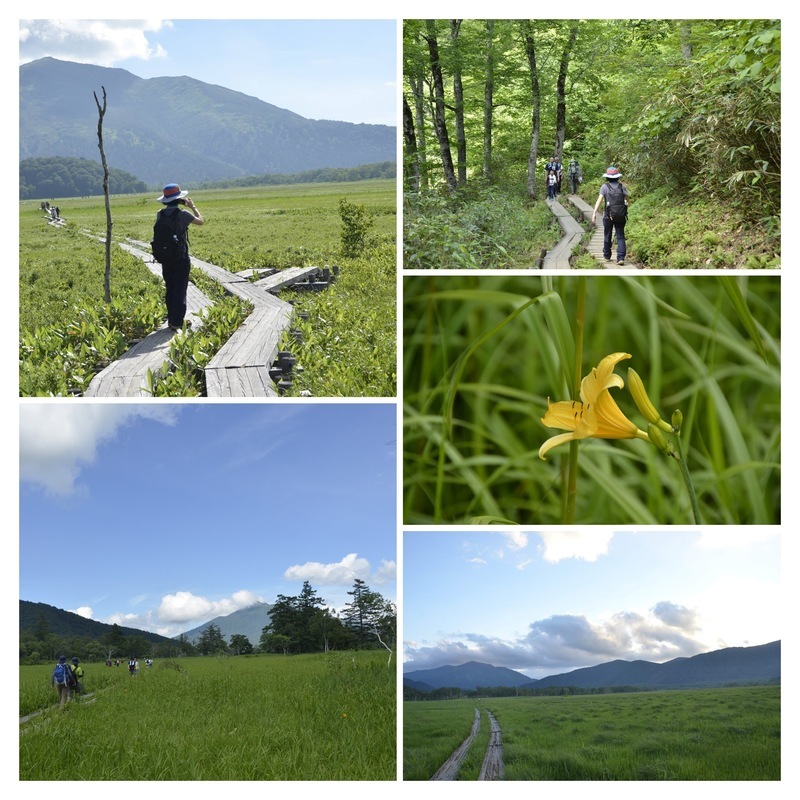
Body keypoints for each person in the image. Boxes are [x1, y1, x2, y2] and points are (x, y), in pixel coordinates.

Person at [153, 183, 204, 331]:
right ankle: (177, 321)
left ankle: (172, 318)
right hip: (180, 256)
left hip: (165, 256)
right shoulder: (183, 214)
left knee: (170, 287)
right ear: (180, 199)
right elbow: (200, 221)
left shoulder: (159, 213)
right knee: (180, 288)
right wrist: (192, 207)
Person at [591, 166, 631, 265]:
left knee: (607, 234)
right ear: (617, 177)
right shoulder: (622, 186)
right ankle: (621, 257)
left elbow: (599, 200)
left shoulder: (605, 187)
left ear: (607, 177)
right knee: (620, 236)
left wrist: (594, 213)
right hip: (621, 215)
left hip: (608, 215)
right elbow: (627, 199)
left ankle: (607, 256)